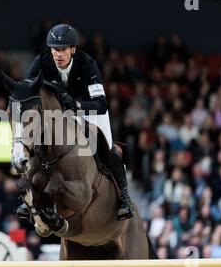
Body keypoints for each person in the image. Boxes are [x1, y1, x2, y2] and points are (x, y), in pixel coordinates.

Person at [15, 24, 134, 220]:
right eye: (54, 49)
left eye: (62, 49)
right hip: (59, 113)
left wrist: (77, 106)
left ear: (73, 49)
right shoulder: (41, 62)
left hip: (88, 109)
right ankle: (29, 195)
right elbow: (28, 92)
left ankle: (124, 198)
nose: (58, 54)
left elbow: (101, 104)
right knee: (35, 138)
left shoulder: (87, 64)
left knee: (106, 146)